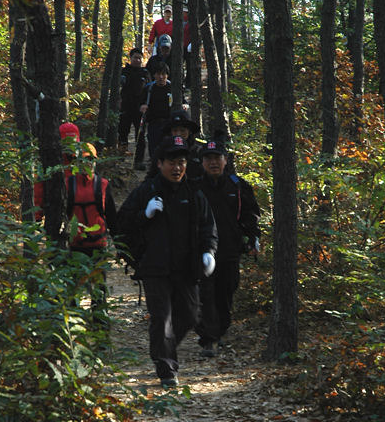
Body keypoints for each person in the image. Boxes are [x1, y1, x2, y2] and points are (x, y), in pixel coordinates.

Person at [117, 136, 218, 388]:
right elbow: (121, 225)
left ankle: (165, 348)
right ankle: (166, 369)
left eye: (181, 162)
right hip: (155, 268)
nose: (177, 168)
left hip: (187, 268)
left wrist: (209, 251)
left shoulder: (194, 193)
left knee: (191, 315)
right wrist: (145, 214)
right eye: (172, 162)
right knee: (161, 318)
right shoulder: (146, 191)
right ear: (160, 163)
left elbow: (209, 226)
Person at [34, 122, 117, 308]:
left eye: (73, 140)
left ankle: (97, 318)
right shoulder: (51, 161)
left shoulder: (83, 159)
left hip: (89, 234)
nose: (70, 145)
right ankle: (69, 313)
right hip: (62, 227)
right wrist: (38, 216)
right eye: (66, 141)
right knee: (65, 273)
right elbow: (39, 190)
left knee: (95, 279)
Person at [195, 136, 261, 358]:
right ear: (202, 162)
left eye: (217, 158)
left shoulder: (238, 185)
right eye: (209, 159)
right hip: (202, 251)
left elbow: (251, 215)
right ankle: (208, 339)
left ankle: (220, 330)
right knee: (206, 293)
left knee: (226, 291)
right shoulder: (194, 186)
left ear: (225, 161)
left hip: (230, 250)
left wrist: (253, 238)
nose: (213, 163)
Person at [133, 61, 173, 170]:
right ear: (154, 75)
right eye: (158, 74)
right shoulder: (149, 88)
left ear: (167, 75)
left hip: (169, 124)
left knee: (168, 148)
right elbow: (140, 102)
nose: (161, 77)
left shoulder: (172, 87)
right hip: (153, 123)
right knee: (154, 148)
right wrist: (142, 107)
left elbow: (182, 101)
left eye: (163, 74)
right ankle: (155, 169)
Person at [146, 108, 203, 181]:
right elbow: (151, 176)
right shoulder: (161, 151)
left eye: (182, 130)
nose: (178, 134)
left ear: (189, 132)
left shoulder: (198, 152)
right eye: (175, 130)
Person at [118, 48, 150, 153]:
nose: (137, 60)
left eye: (140, 58)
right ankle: (121, 154)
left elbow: (150, 90)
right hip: (125, 106)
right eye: (135, 58)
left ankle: (138, 158)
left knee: (140, 134)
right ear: (130, 58)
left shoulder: (145, 73)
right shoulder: (123, 72)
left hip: (140, 108)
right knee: (123, 131)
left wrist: (146, 104)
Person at [182, 7, 191, 88]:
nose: (185, 14)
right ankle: (181, 82)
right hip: (180, 47)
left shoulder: (190, 23)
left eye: (186, 12)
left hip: (188, 48)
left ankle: (188, 84)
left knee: (189, 66)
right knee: (180, 65)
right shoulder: (179, 22)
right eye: (184, 12)